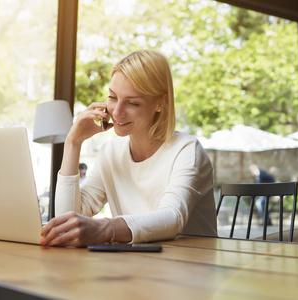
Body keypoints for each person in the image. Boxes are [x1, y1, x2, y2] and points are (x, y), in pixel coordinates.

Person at [40, 50, 217, 247]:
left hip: (190, 267)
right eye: (112, 97)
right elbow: (67, 222)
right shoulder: (111, 152)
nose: (117, 111)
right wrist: (73, 143)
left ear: (161, 102)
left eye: (132, 102)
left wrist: (105, 228)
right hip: (138, 266)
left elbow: (172, 217)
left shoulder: (186, 151)